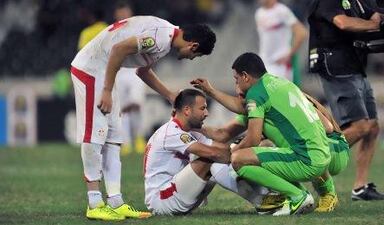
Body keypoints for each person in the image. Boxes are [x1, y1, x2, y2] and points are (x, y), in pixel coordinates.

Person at [70, 15, 216, 221]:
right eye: (196, 55)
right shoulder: (160, 38)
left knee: (113, 138)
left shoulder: (165, 38)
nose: (191, 59)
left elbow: (142, 71)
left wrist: (169, 95)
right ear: (193, 46)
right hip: (91, 69)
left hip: (104, 71)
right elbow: (118, 50)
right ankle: (94, 202)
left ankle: (116, 202)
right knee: (94, 135)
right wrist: (107, 90)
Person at [191, 52, 331, 216]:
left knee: (239, 160)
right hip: (322, 157)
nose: (236, 86)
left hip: (305, 159)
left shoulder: (256, 94)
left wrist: (232, 154)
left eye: (236, 80)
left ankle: (297, 196)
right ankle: (296, 194)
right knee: (256, 153)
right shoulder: (279, 83)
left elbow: (252, 139)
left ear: (245, 76)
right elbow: (239, 110)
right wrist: (211, 90)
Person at [307, 0, 384, 201]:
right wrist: (374, 24)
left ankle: (360, 188)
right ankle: (309, 161)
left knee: (372, 127)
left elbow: (376, 14)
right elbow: (343, 23)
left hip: (355, 66)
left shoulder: (357, 1)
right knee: (360, 126)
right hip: (336, 66)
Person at [144, 89, 272, 215]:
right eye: (202, 108)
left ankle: (267, 196)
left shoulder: (189, 130)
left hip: (174, 191)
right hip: (162, 200)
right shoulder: (172, 132)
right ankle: (262, 200)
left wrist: (240, 146)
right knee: (212, 160)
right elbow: (215, 154)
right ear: (187, 110)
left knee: (218, 161)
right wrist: (245, 147)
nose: (206, 113)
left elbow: (221, 149)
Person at [113, 1, 147, 155]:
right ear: (116, 15)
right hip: (120, 72)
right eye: (121, 13)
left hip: (134, 71)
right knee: (122, 108)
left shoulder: (138, 29)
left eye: (126, 12)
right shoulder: (113, 32)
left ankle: (139, 137)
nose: (123, 15)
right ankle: (126, 141)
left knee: (137, 105)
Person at [255, 0, 307, 82]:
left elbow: (301, 32)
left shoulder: (282, 11)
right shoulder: (259, 13)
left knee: (278, 94)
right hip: (264, 63)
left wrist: (289, 54)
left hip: (279, 65)